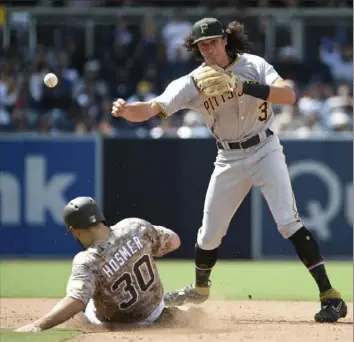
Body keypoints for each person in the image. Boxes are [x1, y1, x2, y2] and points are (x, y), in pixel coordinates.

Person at [111, 18, 347, 323]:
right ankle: (200, 288)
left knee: (288, 222)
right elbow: (153, 107)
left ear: (225, 39)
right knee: (208, 236)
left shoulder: (254, 65)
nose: (208, 49)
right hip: (228, 158)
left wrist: (242, 86)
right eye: (201, 45)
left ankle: (330, 296)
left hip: (265, 149)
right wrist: (129, 111)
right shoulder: (192, 82)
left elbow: (288, 96)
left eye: (212, 42)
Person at [15, 196, 184, 332]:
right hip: (156, 312)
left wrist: (38, 325)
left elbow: (76, 301)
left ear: (75, 231)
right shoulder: (135, 227)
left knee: (80, 309)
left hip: (119, 326)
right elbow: (174, 241)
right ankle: (177, 298)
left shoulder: (87, 260)